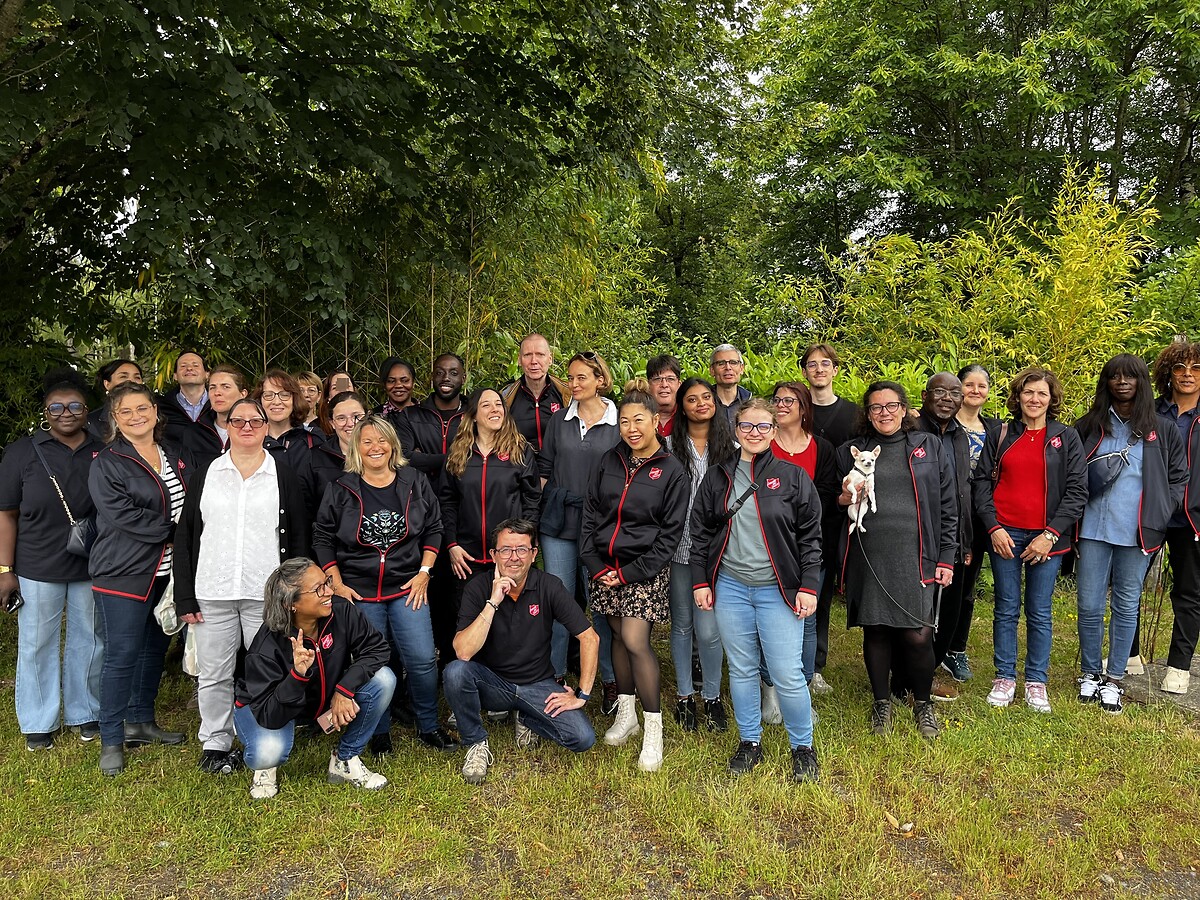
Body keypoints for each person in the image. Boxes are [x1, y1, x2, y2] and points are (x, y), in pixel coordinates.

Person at [172, 398, 311, 773]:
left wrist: (293, 593)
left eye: (255, 421)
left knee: (269, 670)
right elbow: (186, 537)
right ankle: (216, 742)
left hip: (265, 596)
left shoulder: (282, 474)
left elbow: (298, 538)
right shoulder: (207, 473)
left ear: (266, 427)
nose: (246, 427)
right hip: (212, 591)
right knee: (214, 673)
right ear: (227, 426)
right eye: (238, 421)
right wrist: (184, 594)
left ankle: (268, 731)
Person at [690, 398, 823, 782]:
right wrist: (701, 580)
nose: (755, 433)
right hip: (731, 587)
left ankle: (802, 746)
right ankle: (750, 741)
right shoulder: (717, 477)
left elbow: (812, 536)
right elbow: (700, 533)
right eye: (747, 426)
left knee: (787, 672)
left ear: (774, 430)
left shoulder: (793, 477)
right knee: (744, 670)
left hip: (778, 590)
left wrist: (809, 586)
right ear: (736, 429)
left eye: (763, 426)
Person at [312, 415, 457, 753]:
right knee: (374, 663)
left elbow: (434, 527)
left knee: (421, 660)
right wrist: (335, 581)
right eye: (367, 441)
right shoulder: (341, 487)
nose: (375, 447)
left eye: (382, 440)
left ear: (393, 444)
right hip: (360, 592)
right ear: (356, 448)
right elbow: (322, 535)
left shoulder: (414, 481)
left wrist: (424, 571)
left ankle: (428, 725)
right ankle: (379, 730)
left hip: (408, 587)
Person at [838, 381, 957, 739]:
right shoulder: (850, 451)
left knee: (918, 634)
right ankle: (881, 704)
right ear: (868, 413)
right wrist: (846, 496)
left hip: (916, 553)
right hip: (870, 550)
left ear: (905, 410)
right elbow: (836, 502)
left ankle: (923, 703)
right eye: (876, 407)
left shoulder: (929, 446)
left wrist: (946, 557)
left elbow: (949, 506)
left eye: (891, 405)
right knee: (876, 629)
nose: (884, 412)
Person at [580, 382, 687, 773]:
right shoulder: (609, 460)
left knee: (635, 639)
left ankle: (653, 730)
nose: (631, 428)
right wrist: (595, 565)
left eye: (639, 420)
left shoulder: (672, 470)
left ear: (656, 421)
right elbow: (591, 516)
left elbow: (669, 535)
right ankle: (626, 714)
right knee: (616, 638)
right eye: (624, 421)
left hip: (644, 570)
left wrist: (628, 573)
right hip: (604, 569)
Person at [88, 382, 191, 775]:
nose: (136, 417)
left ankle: (140, 721)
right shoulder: (108, 461)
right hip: (123, 572)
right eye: (126, 411)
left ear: (155, 411)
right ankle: (111, 739)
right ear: (115, 419)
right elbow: (123, 515)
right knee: (121, 656)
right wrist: (175, 532)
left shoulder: (172, 454)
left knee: (153, 650)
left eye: (142, 408)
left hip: (165, 573)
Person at [446, 518, 598, 784]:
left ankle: (527, 718)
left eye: (522, 549)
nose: (513, 557)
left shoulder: (549, 585)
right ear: (493, 555)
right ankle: (476, 744)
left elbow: (589, 638)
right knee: (456, 672)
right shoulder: (478, 588)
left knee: (582, 738)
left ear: (534, 554)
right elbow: (463, 652)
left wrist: (582, 695)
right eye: (505, 549)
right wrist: (493, 602)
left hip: (537, 684)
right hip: (492, 685)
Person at [1074, 355, 1186, 713]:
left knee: (1126, 604)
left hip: (1138, 531)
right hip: (1092, 529)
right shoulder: (1089, 425)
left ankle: (1115, 678)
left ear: (1142, 382)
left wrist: (1161, 511)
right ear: (1105, 383)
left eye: (1130, 376)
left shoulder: (1161, 428)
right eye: (1114, 376)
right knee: (1089, 605)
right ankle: (1091, 673)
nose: (1122, 382)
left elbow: (1178, 478)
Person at [0, 370, 105, 750]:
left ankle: (85, 712)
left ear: (87, 410)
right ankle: (39, 720)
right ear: (46, 412)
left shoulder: (102, 449)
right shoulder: (22, 451)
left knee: (90, 641)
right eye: (56, 406)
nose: (66, 412)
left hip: (90, 564)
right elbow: (6, 514)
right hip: (37, 566)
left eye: (74, 405)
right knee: (36, 643)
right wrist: (5, 571)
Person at [973, 367, 1087, 713]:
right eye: (1028, 392)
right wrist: (993, 527)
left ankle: (1036, 681)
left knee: (1039, 611)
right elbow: (980, 482)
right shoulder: (1002, 433)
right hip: (1006, 533)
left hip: (1047, 539)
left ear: (1052, 399)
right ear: (1018, 396)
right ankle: (1005, 677)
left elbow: (1077, 491)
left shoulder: (1066, 437)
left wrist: (1050, 534)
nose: (1034, 399)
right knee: (1006, 608)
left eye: (1042, 393)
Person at [234, 558, 395, 799]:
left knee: (384, 679)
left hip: (321, 699)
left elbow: (378, 648)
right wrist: (297, 676)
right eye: (319, 588)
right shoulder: (266, 647)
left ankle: (345, 759)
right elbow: (270, 714)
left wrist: (344, 689)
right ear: (291, 604)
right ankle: (265, 767)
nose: (330, 591)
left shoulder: (341, 610)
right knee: (268, 751)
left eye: (327, 582)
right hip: (266, 708)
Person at [538, 351, 621, 708]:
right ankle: (554, 674)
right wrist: (547, 501)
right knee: (559, 600)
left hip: (601, 525)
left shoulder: (619, 422)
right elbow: (544, 467)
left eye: (581, 378)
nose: (572, 384)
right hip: (558, 522)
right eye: (570, 378)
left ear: (600, 379)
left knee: (602, 603)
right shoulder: (560, 420)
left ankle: (609, 679)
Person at [667, 377, 736, 732]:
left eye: (706, 397)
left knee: (709, 631)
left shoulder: (732, 448)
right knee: (681, 625)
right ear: (682, 407)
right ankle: (683, 696)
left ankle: (711, 696)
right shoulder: (666, 447)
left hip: (718, 550)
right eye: (691, 399)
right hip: (678, 549)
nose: (700, 404)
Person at [770, 382, 840, 695]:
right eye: (777, 400)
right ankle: (769, 685)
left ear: (803, 408)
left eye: (789, 400)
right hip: (769, 548)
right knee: (769, 617)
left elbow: (825, 495)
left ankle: (804, 682)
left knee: (806, 618)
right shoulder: (761, 443)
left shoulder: (822, 448)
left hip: (811, 546)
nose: (781, 405)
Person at [442, 388, 542, 599]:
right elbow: (448, 501)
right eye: (486, 405)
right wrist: (452, 544)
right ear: (473, 416)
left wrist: (525, 545)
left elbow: (532, 500)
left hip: (510, 556)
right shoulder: (459, 452)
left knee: (511, 624)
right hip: (468, 559)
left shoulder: (519, 450)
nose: (495, 409)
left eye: (499, 404)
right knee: (470, 623)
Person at [914, 372, 974, 703]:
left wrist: (963, 543)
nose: (948, 398)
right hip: (918, 537)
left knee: (949, 612)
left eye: (955, 392)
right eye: (940, 391)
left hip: (954, 537)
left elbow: (962, 492)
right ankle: (909, 677)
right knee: (919, 614)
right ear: (925, 395)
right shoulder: (910, 431)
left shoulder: (960, 436)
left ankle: (927, 670)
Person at [942, 364, 1000, 683]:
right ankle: (929, 644)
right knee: (940, 584)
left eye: (981, 385)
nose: (975, 391)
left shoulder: (995, 429)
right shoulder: (945, 426)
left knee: (966, 587)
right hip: (946, 515)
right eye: (968, 384)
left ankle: (955, 648)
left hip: (978, 518)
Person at [1152, 340, 1200, 694]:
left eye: (1196, 368)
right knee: (1127, 586)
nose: (1187, 374)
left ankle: (1179, 667)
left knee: (1189, 593)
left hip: (1192, 518)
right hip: (1149, 513)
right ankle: (1131, 655)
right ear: (1167, 373)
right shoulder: (1149, 412)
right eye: (1180, 368)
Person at [301, 390, 366, 519]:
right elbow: (305, 510)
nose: (350, 423)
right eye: (341, 418)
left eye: (357, 416)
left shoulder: (382, 454)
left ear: (367, 417)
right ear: (332, 423)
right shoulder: (314, 458)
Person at [498, 334, 567, 452]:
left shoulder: (567, 394)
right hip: (521, 467)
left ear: (550, 359)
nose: (534, 361)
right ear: (519, 360)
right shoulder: (506, 397)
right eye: (527, 355)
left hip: (559, 467)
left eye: (540, 355)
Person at [802, 343, 859, 447]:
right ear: (804, 372)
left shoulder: (855, 413)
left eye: (825, 364)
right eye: (812, 365)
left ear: (835, 370)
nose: (819, 370)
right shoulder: (796, 411)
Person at [257, 369, 315, 468]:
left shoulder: (312, 440)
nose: (276, 402)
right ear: (259, 400)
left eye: (284, 395)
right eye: (268, 395)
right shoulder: (250, 439)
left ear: (295, 399)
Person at [88, 358, 143, 438]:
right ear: (107, 384)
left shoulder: (154, 415)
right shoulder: (92, 422)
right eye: (123, 376)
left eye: (137, 377)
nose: (131, 381)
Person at [709, 344, 752, 423]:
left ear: (741, 368)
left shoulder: (751, 403)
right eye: (721, 363)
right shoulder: (705, 404)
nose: (728, 367)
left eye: (733, 362)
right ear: (712, 370)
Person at [646, 354, 682, 438]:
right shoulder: (640, 418)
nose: (664, 385)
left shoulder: (689, 417)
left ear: (679, 385)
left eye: (670, 379)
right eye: (657, 379)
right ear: (648, 385)